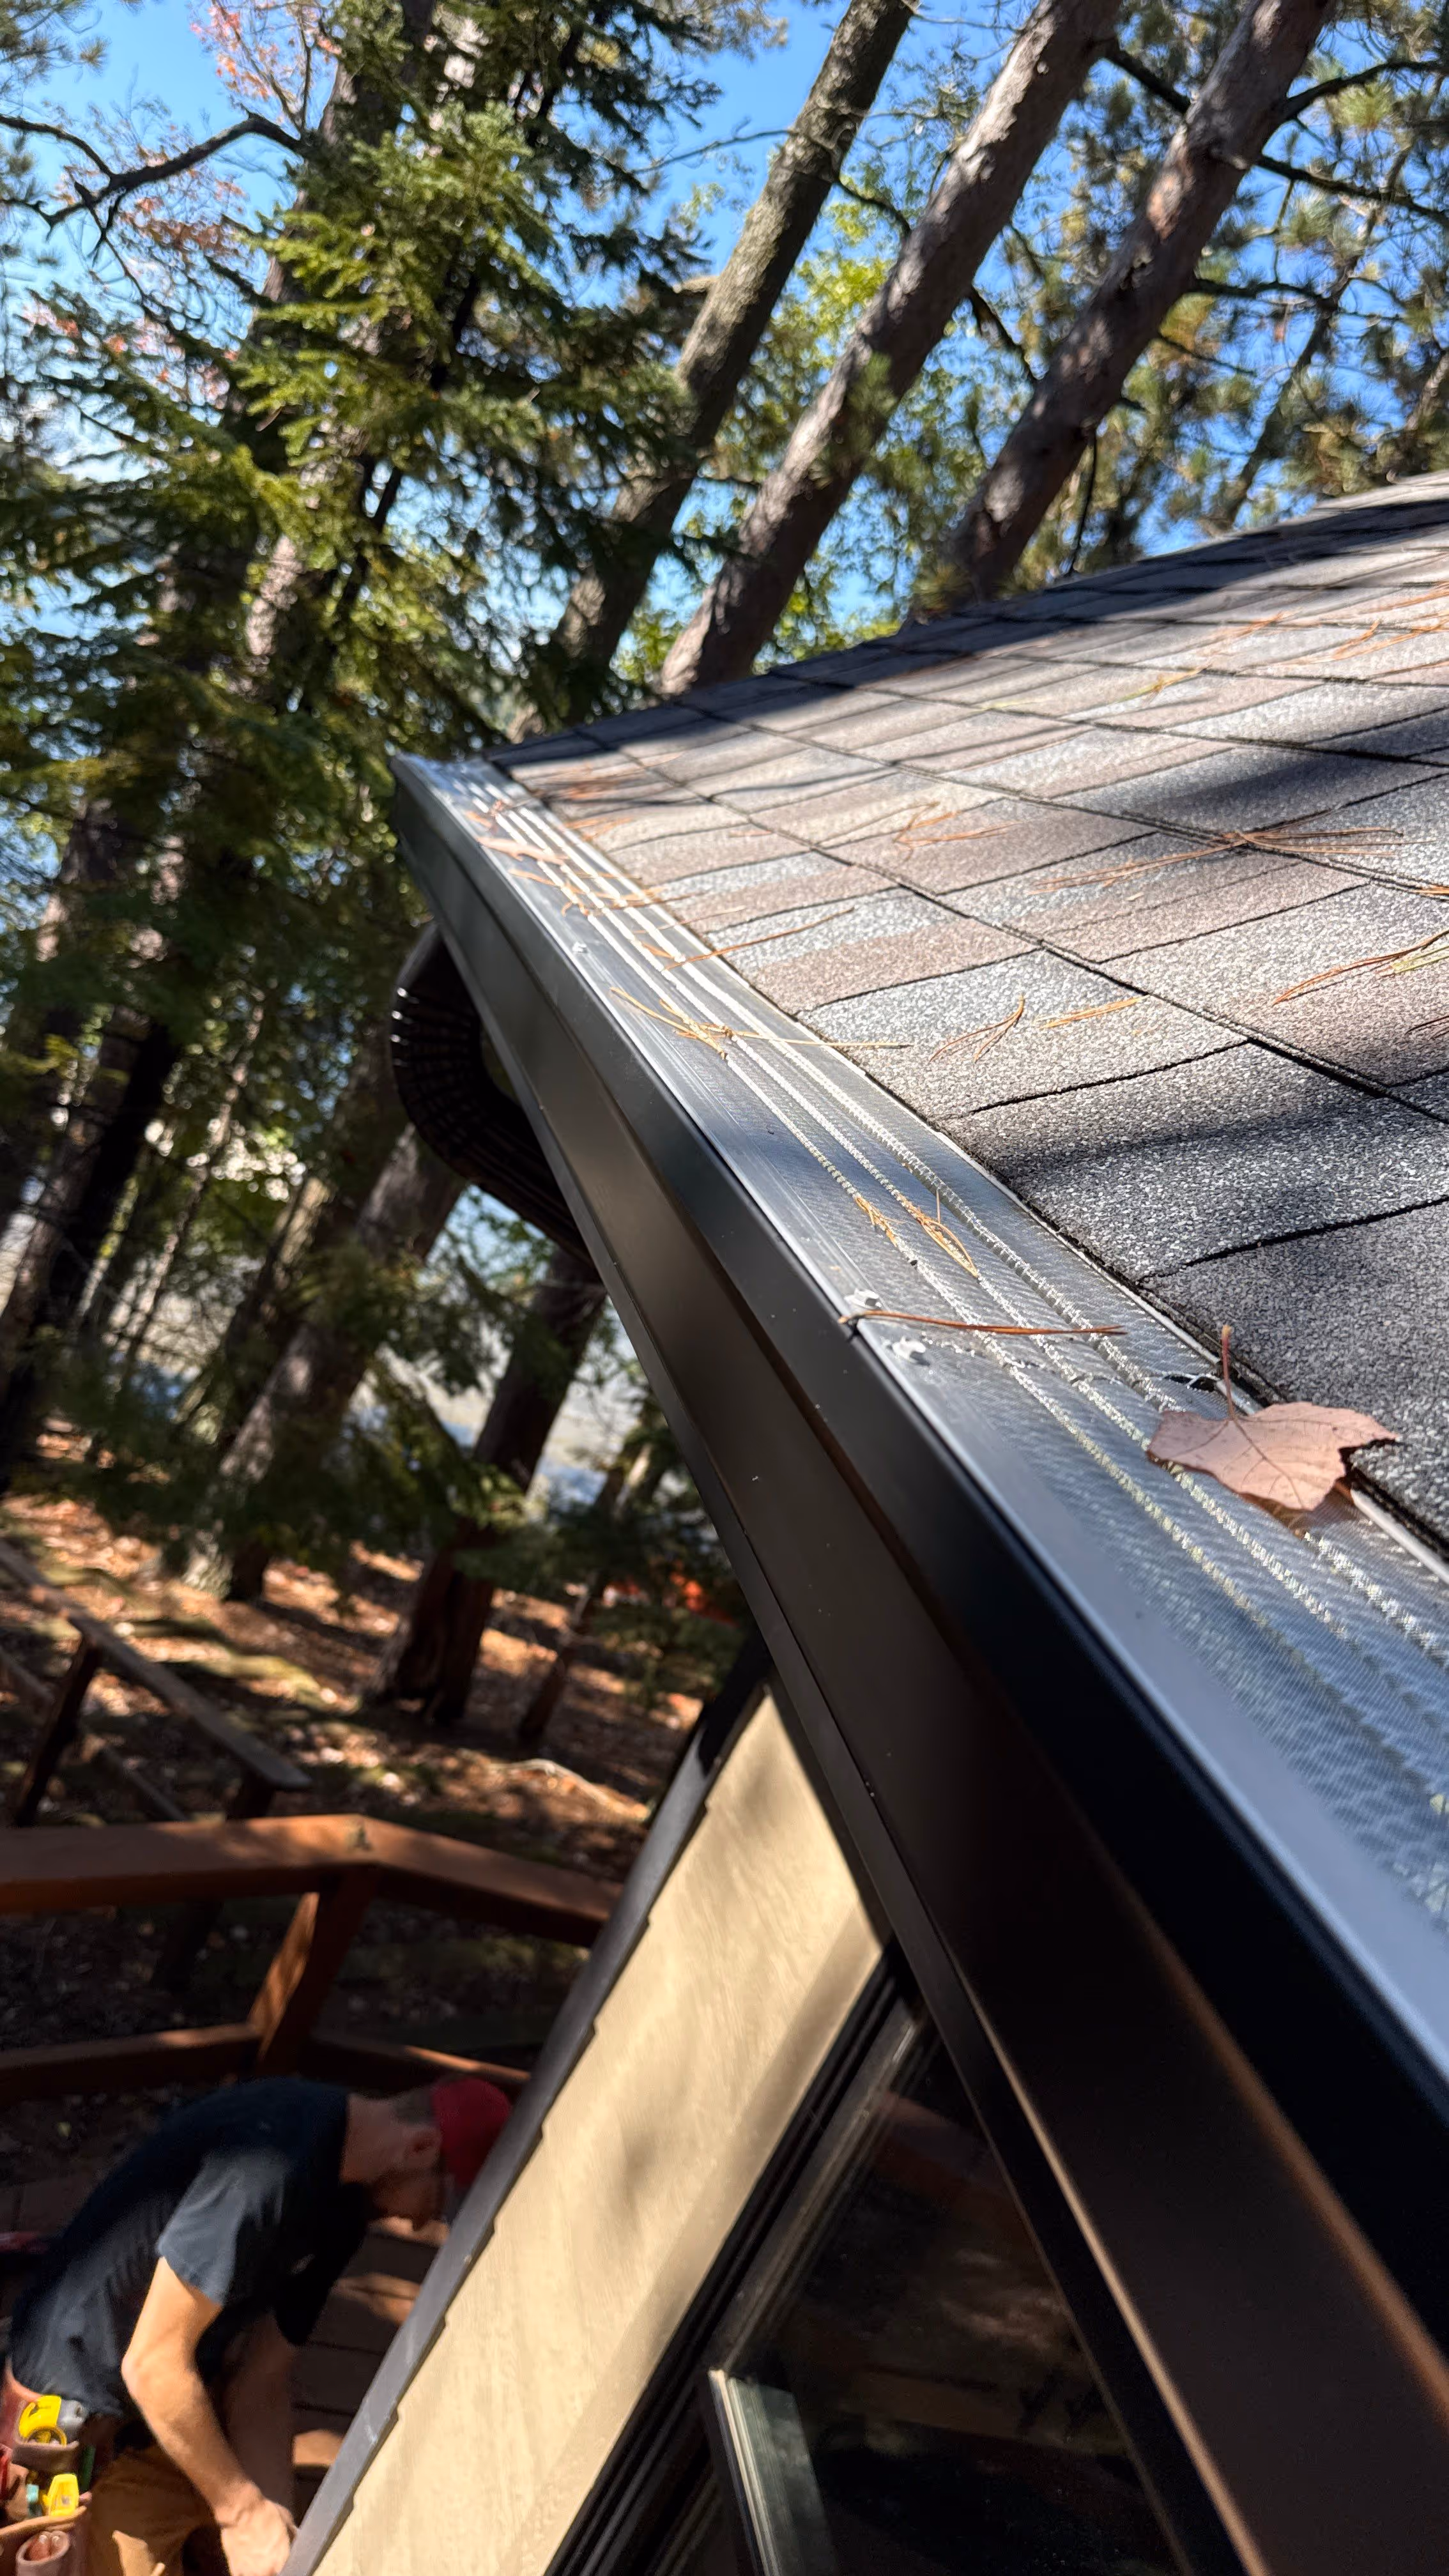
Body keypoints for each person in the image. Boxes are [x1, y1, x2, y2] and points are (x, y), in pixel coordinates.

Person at [1, 2074, 512, 2576]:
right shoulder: (269, 2166)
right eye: (438, 2204)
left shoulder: (346, 2206)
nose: (421, 2225)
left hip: (171, 2416)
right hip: (78, 2422)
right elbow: (152, 2365)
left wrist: (279, 2532)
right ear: (421, 2148)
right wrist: (242, 2515)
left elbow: (263, 2380)